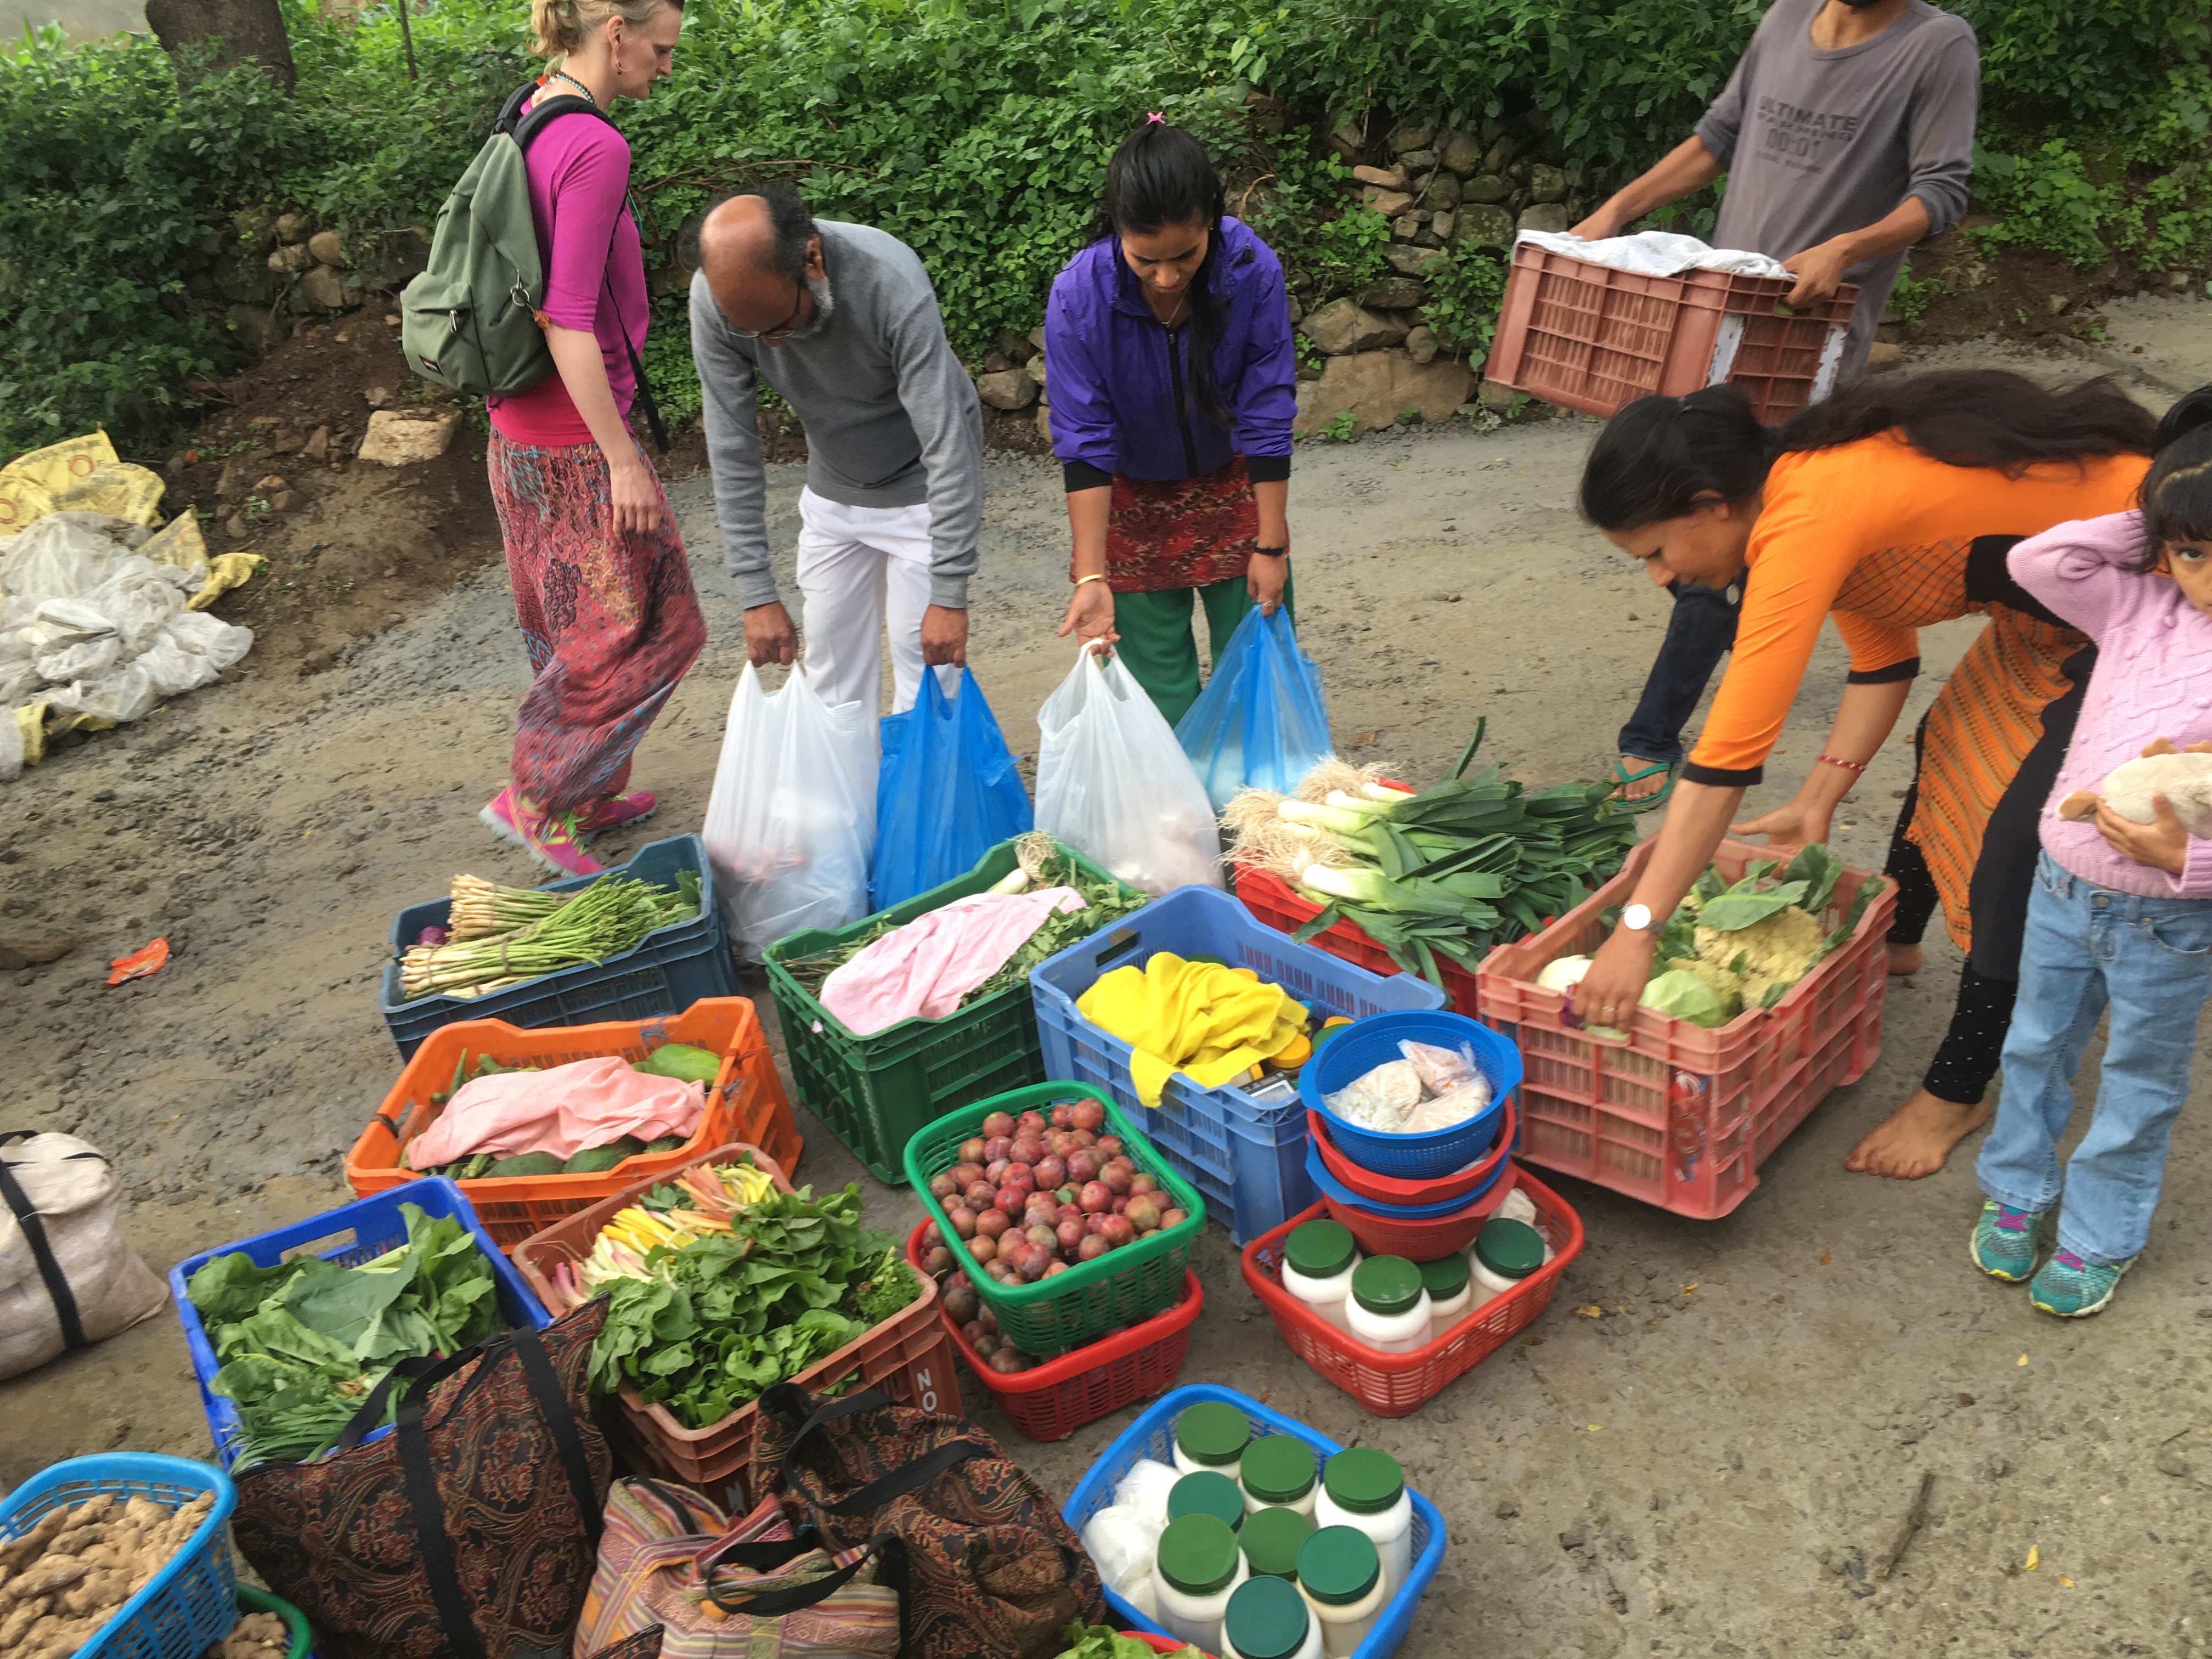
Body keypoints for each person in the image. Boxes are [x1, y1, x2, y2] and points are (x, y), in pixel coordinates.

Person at [1568, 371, 2158, 1181]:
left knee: (2018, 835)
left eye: (1657, 553)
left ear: (1711, 505)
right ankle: (1897, 943)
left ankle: (1958, 1091)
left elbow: (1725, 759)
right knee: (1950, 739)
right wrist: (1818, 800)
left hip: (2163, 592)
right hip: (2059, 605)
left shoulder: (1807, 513)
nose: (1660, 578)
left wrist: (1638, 931)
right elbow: (1884, 661)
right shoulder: (1802, 487)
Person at [1567, 0, 1979, 809]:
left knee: (1731, 535)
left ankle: (1657, 736)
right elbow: (1715, 142)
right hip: (1719, 329)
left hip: (1808, 345)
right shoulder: (1784, 20)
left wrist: (1846, 248)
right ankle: (1842, 653)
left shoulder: (1938, 46)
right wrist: (1618, 210)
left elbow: (1942, 192)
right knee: (1715, 532)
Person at [1969, 391, 2212, 1318]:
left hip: (2175, 913)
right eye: (2192, 552)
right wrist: (2160, 511)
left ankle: (2098, 1232)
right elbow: (2038, 558)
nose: (2205, 576)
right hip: (2062, 883)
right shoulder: (2137, 605)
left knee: (2139, 1078)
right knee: (2034, 1044)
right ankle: (2018, 1187)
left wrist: (2187, 861)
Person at [478, 0, 703, 878]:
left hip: (515, 428)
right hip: (576, 439)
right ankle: (537, 796)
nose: (665, 66)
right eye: (660, 48)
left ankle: (592, 784)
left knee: (565, 623)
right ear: (616, 31)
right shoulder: (596, 145)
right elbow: (567, 315)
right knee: (661, 628)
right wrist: (622, 458)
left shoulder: (532, 109)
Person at [690, 186, 982, 715]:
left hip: (920, 492)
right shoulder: (719, 302)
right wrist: (756, 593)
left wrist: (949, 591)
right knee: (830, 679)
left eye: (779, 325)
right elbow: (732, 445)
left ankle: (920, 798)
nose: (770, 344)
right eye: (754, 334)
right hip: (834, 489)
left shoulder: (888, 281)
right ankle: (843, 799)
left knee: (928, 676)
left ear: (813, 260)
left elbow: (947, 439)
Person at [1046, 118, 1298, 727]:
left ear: (1212, 220)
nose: (1166, 277)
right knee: (1152, 688)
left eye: (1186, 255)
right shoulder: (1079, 294)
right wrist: (1091, 574)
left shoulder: (1250, 268)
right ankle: (1177, 813)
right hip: (1131, 496)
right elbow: (1084, 439)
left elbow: (1268, 407)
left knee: (1258, 669)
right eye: (1145, 259)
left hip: (1233, 484)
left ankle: (1260, 807)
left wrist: (1271, 544)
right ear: (1117, 232)